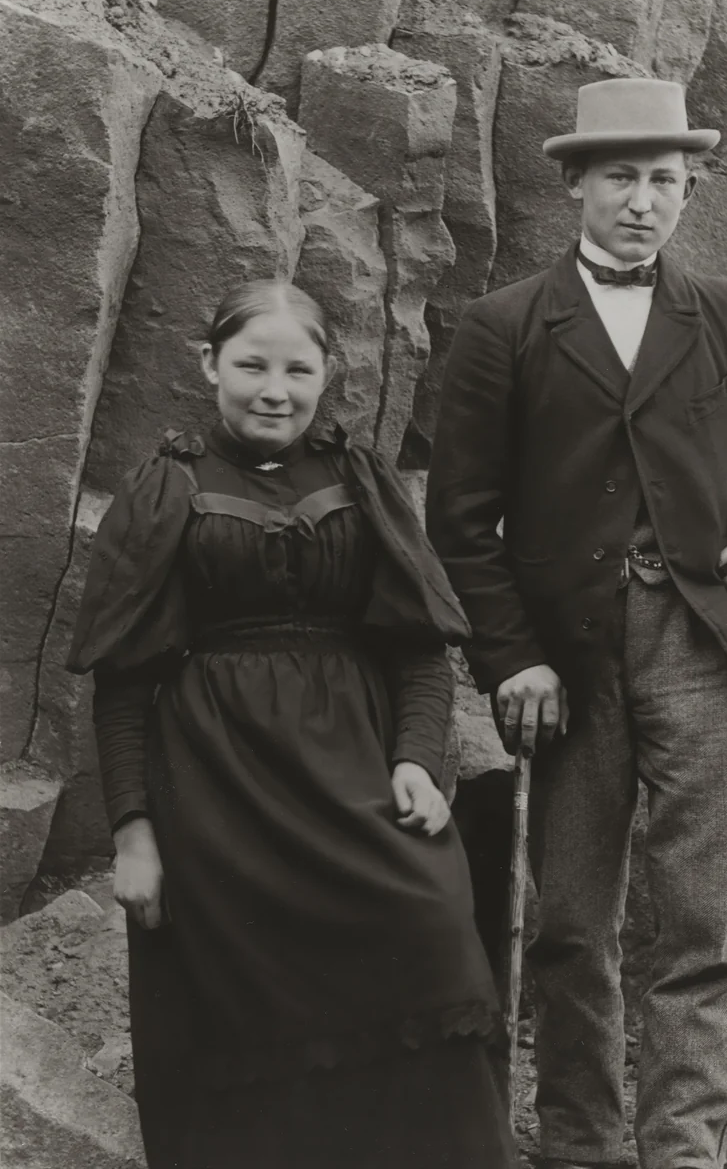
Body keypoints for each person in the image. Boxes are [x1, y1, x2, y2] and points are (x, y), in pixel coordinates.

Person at [425, 78, 727, 1169]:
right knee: (572, 923)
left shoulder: (718, 309)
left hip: (703, 648)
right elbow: (459, 515)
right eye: (620, 177)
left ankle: (682, 1150)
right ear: (576, 181)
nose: (642, 202)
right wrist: (511, 657)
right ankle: (579, 1140)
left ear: (687, 192)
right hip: (566, 663)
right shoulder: (505, 325)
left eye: (664, 181)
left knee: (704, 928)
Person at [67, 281, 515, 1169]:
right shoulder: (166, 490)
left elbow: (419, 651)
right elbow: (123, 685)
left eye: (298, 369)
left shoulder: (358, 480)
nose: (275, 389)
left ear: (327, 374)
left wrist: (419, 760)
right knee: (239, 1024)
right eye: (252, 366)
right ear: (209, 365)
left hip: (356, 777)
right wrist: (134, 833)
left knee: (433, 944)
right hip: (218, 796)